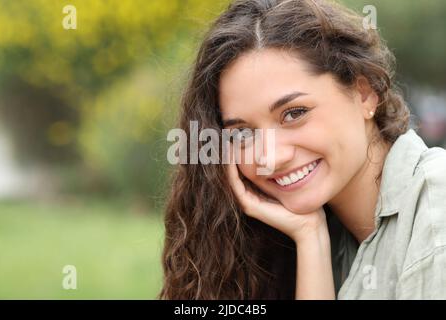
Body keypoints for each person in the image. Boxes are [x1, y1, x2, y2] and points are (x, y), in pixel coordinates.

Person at [160, 0, 446, 299]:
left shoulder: (436, 207)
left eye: (294, 113)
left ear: (365, 94)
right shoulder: (303, 237)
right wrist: (311, 239)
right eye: (242, 133)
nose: (271, 157)